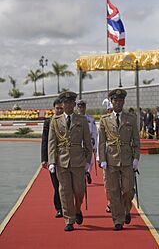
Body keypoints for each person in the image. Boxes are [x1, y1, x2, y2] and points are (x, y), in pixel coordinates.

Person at [48, 91, 92, 232]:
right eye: (64, 103)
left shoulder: (82, 120)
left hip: (78, 160)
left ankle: (77, 209)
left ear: (74, 104)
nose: (67, 105)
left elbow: (87, 143)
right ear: (62, 104)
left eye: (70, 102)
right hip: (62, 161)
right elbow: (52, 142)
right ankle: (69, 220)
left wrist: (88, 161)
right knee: (65, 191)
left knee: (79, 191)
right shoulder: (55, 121)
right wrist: (51, 162)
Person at [99, 89, 140, 231]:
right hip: (111, 160)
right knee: (114, 191)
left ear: (123, 102)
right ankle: (118, 219)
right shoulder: (105, 120)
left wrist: (136, 158)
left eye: (121, 100)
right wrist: (102, 159)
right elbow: (101, 142)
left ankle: (126, 210)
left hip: (127, 159)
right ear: (112, 102)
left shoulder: (131, 118)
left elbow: (136, 141)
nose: (118, 103)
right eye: (116, 100)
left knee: (128, 190)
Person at [41, 98, 63, 218]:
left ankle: (68, 207)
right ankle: (59, 208)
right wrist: (44, 159)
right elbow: (45, 141)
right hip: (52, 158)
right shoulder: (48, 122)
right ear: (53, 109)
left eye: (61, 108)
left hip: (66, 158)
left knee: (66, 185)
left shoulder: (68, 120)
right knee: (56, 185)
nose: (59, 110)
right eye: (57, 108)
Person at [76, 99, 97, 184]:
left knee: (90, 161)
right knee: (79, 160)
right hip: (78, 142)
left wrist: (95, 145)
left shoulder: (90, 119)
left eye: (83, 106)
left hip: (88, 141)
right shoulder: (75, 118)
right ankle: (81, 175)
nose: (81, 108)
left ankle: (87, 172)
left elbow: (94, 131)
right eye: (79, 106)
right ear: (77, 108)